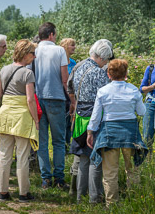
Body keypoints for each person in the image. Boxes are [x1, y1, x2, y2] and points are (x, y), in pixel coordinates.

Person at [88, 59, 148, 206]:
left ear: (109, 74)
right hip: (130, 134)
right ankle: (133, 201)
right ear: (126, 74)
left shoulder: (103, 91)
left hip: (109, 133)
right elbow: (142, 112)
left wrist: (90, 132)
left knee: (110, 173)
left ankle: (112, 204)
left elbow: (96, 116)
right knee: (132, 170)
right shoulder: (133, 90)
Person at [0, 39, 39, 202]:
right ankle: (24, 192)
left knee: (4, 155)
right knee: (22, 156)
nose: (34, 56)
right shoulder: (27, 73)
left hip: (5, 115)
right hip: (22, 116)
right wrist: (36, 120)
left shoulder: (4, 69)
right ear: (25, 55)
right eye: (32, 53)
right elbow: (30, 100)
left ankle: (3, 191)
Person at [67, 39, 112, 203]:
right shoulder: (99, 72)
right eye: (106, 60)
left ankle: (80, 197)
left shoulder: (78, 66)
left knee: (83, 159)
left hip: (79, 116)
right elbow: (106, 96)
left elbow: (69, 86)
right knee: (95, 158)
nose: (106, 63)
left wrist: (75, 102)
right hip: (93, 116)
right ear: (101, 57)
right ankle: (95, 198)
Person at [33, 22, 72, 189]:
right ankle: (59, 178)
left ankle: (45, 178)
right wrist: (72, 99)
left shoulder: (34, 50)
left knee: (42, 141)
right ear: (51, 35)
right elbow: (65, 78)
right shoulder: (59, 50)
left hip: (38, 97)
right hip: (56, 97)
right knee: (58, 140)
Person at [60, 38, 77, 152]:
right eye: (72, 45)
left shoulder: (73, 62)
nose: (74, 47)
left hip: (71, 94)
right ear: (66, 46)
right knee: (62, 122)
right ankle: (62, 146)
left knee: (70, 122)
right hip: (62, 94)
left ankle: (68, 145)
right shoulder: (59, 61)